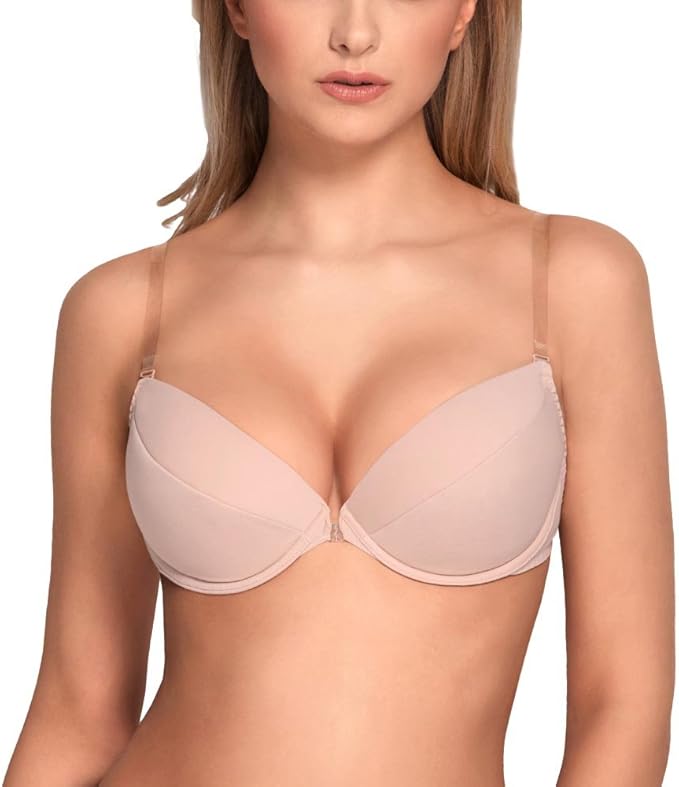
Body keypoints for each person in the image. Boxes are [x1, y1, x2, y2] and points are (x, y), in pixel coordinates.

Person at [4, 1, 674, 785]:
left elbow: (621, 703)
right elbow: (80, 707)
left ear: (464, 13)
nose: (354, 33)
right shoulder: (122, 312)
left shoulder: (572, 283)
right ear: (236, 9)